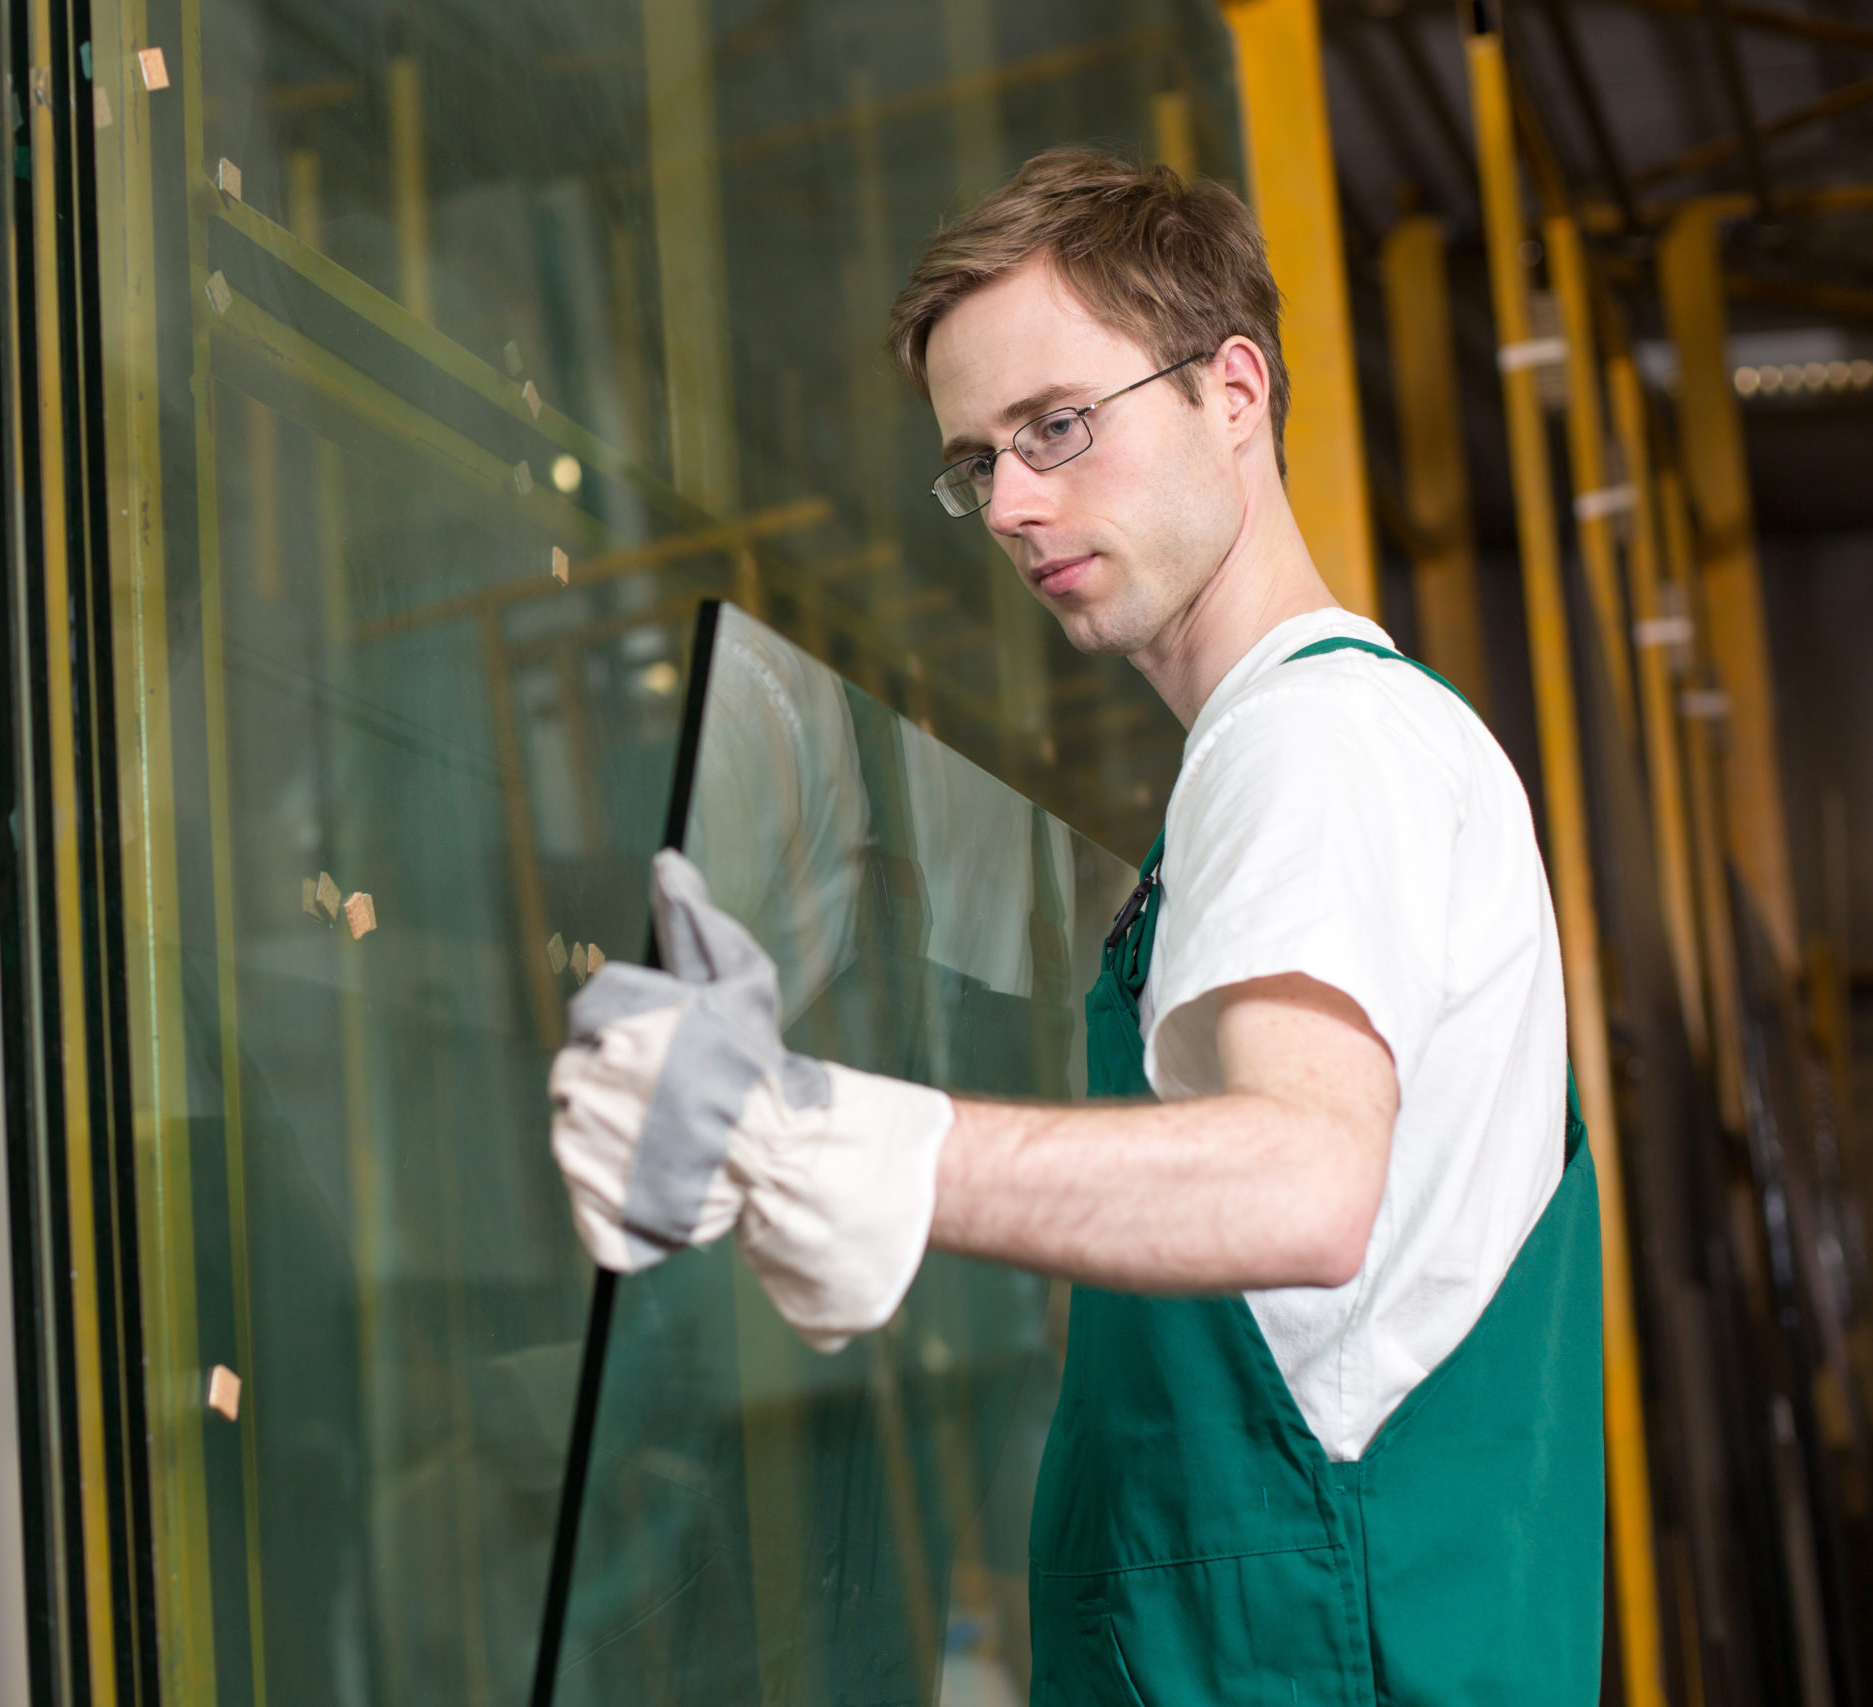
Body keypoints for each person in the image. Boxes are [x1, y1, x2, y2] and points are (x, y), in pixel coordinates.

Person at [549, 148, 1602, 1702]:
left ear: (1234, 393)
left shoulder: (1312, 745)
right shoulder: (1304, 752)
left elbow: (1307, 1179)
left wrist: (815, 1134)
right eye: (979, 461)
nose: (1014, 505)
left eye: (1058, 428)